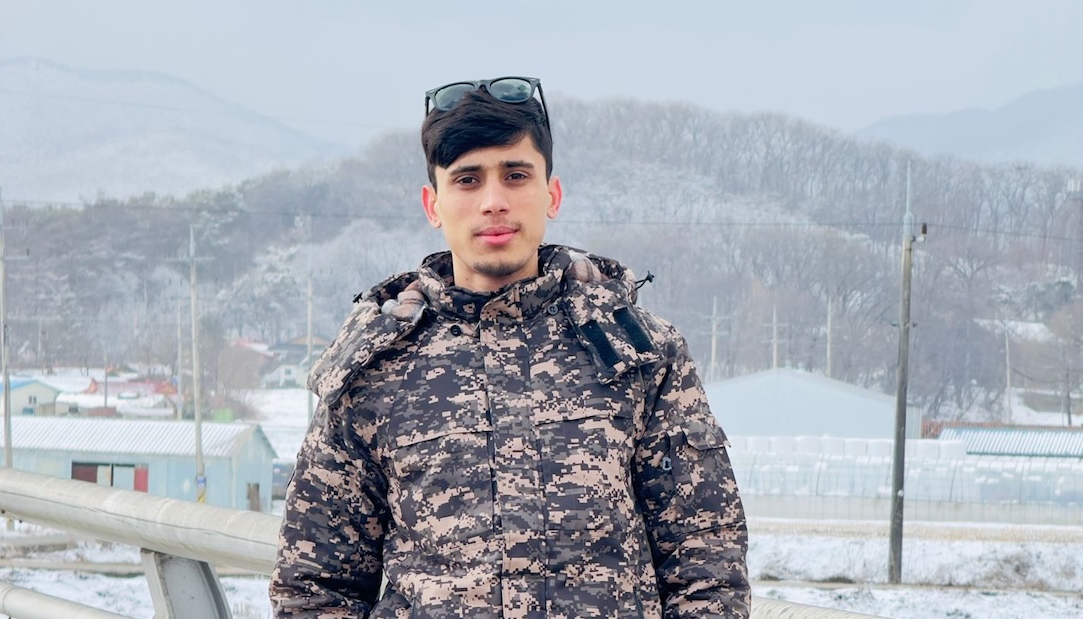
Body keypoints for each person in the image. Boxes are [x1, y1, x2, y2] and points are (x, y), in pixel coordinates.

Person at [270, 76, 749, 619]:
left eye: (516, 175)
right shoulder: (375, 370)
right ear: (433, 204)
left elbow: (707, 563)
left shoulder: (638, 354)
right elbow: (315, 587)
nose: (493, 202)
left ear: (552, 194)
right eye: (467, 180)